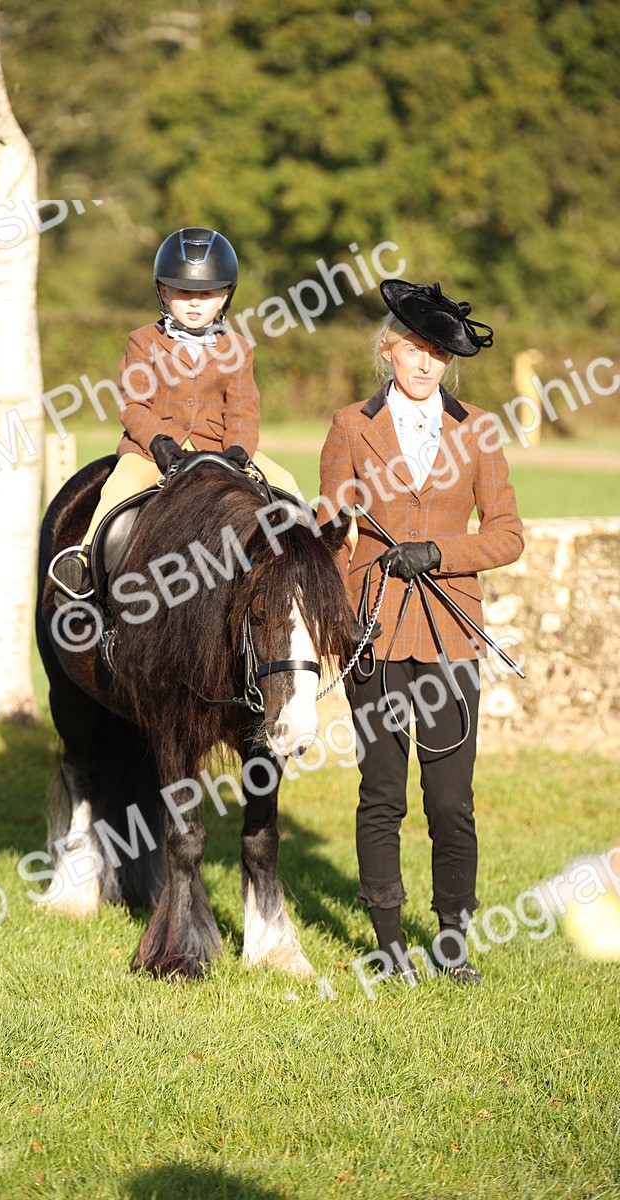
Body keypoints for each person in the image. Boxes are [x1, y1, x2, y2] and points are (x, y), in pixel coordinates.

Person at [319, 279, 524, 984]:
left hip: (451, 635)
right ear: (389, 349)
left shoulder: (480, 429)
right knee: (382, 795)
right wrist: (341, 612)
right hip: (374, 631)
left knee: (451, 801)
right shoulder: (350, 425)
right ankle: (387, 943)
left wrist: (439, 552)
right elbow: (330, 530)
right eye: (415, 349)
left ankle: (454, 942)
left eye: (439, 353)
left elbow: (507, 535)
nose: (427, 363)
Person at [58, 227, 299, 592]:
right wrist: (160, 443)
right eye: (184, 292)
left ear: (225, 296)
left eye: (206, 293)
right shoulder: (143, 341)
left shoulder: (239, 348)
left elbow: (244, 409)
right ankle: (85, 563)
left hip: (221, 449)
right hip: (153, 452)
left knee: (287, 485)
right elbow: (135, 404)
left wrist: (239, 449)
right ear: (164, 292)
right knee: (118, 488)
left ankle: (311, 567)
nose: (195, 303)